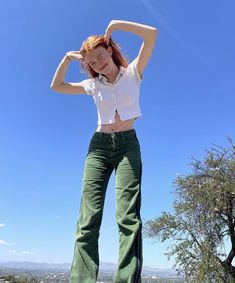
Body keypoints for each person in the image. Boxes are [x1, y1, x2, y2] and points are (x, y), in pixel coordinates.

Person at [50, 19, 157, 283]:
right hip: (98, 149)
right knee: (88, 218)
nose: (98, 64)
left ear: (110, 50)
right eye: (92, 62)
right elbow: (58, 86)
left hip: (127, 146)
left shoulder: (133, 72)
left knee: (128, 217)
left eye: (100, 56)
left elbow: (152, 35)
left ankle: (127, 279)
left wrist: (117, 25)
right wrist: (66, 59)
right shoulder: (93, 85)